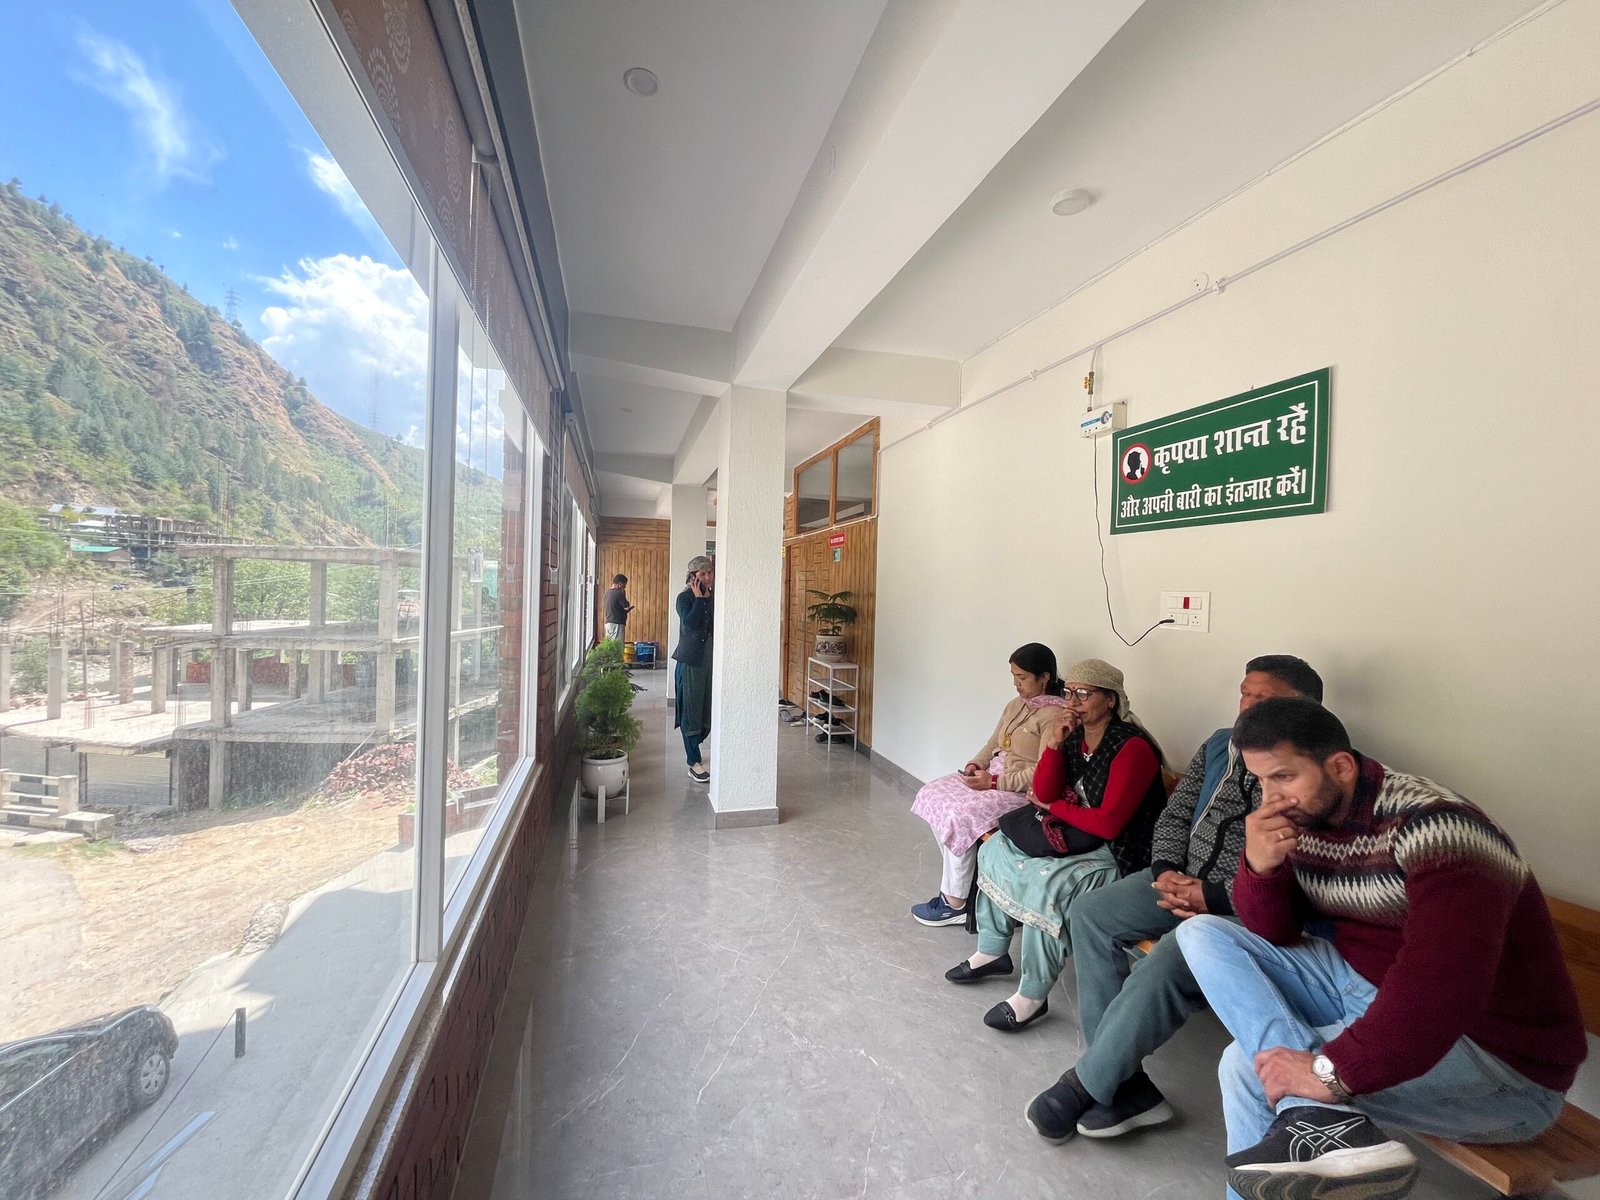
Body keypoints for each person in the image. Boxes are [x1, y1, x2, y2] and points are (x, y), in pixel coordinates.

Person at [1176, 697, 1586, 1200]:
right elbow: (1274, 932)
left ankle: (1312, 1113)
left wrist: (1331, 1072)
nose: (1270, 799)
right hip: (1365, 989)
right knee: (1201, 933)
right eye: (1260, 781)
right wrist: (1260, 867)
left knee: (1246, 1066)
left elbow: (1441, 991)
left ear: (1340, 767)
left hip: (1498, 1063)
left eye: (1283, 776)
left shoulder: (1439, 830)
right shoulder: (1306, 817)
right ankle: (1315, 1118)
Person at [1025, 655, 1324, 1144]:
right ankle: (1125, 1083)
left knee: (1173, 951)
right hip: (1178, 876)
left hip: (1244, 904)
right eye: (1244, 693)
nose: (1247, 705)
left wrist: (1211, 896)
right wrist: (1165, 871)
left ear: (1304, 709)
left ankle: (1089, 1082)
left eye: (1264, 698)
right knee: (1090, 913)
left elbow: (1295, 874)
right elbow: (1176, 813)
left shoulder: (1310, 769)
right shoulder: (1221, 743)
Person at [945, 659, 1166, 1032]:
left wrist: (1053, 807)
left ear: (1111, 699)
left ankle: (1032, 995)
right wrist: (1052, 745)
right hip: (1075, 832)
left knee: (1047, 885)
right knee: (995, 848)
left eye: (1084, 694)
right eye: (1069, 692)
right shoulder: (1074, 736)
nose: (1072, 702)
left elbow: (1109, 824)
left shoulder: (1132, 747)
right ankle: (992, 950)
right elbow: (1044, 790)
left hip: (1120, 850)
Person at [908, 644, 1068, 926]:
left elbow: (1043, 772)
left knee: (959, 815)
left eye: (1022, 677)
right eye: (1013, 676)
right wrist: (976, 764)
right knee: (931, 794)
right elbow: (994, 742)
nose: (1016, 683)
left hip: (1018, 790)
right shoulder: (1016, 704)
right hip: (992, 776)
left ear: (1044, 677)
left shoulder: (1055, 716)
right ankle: (962, 882)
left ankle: (954, 902)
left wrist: (995, 782)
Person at [670, 556, 714, 784]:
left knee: (706, 708)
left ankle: (696, 747)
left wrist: (705, 598)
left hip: (709, 660)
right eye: (703, 574)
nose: (708, 577)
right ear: (693, 577)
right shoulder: (684, 598)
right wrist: (698, 599)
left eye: (709, 572)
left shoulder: (713, 597)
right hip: (690, 662)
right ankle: (693, 761)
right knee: (691, 710)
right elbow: (691, 624)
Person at [603, 573, 634, 643]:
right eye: (624, 586)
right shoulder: (618, 593)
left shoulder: (607, 593)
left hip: (609, 623)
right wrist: (623, 594)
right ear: (620, 584)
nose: (624, 588)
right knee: (618, 646)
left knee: (610, 646)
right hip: (617, 624)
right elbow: (626, 606)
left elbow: (615, 608)